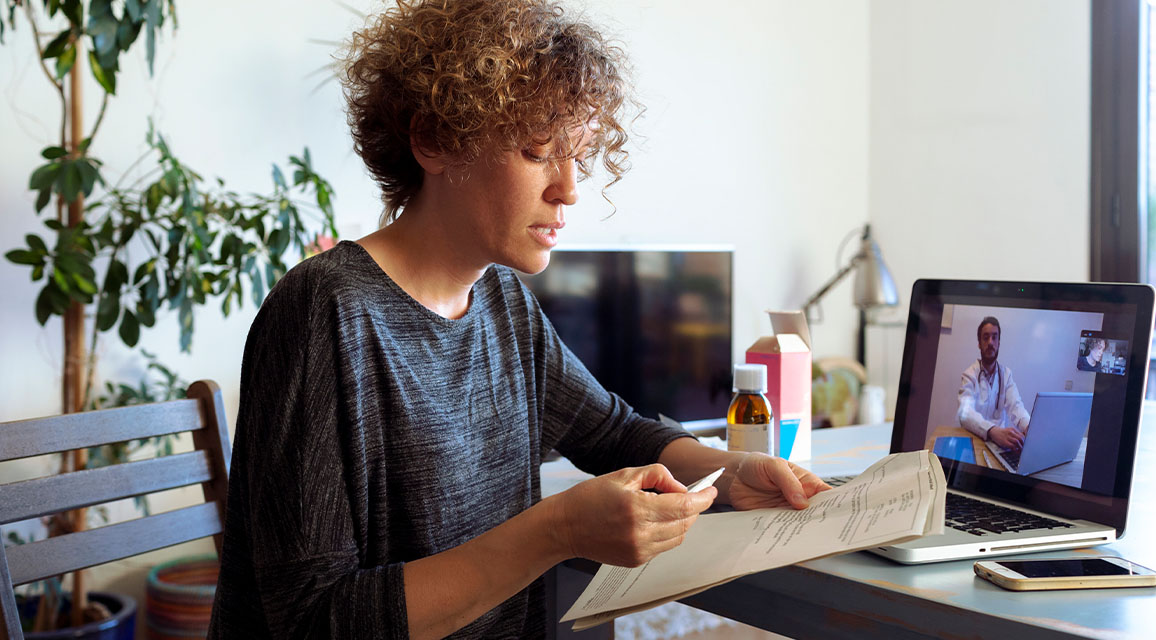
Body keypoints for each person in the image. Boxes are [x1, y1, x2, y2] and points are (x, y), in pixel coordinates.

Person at [206, 1, 830, 638]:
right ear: (432, 141)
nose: (569, 188)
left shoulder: (502, 299)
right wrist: (556, 530)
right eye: (537, 152)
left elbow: (612, 432)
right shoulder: (325, 313)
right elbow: (313, 622)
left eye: (578, 158)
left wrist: (728, 472)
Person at [957, 316, 1030, 452]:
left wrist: (1029, 427)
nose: (990, 342)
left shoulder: (1006, 375)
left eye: (994, 337)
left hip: (1000, 446)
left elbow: (1016, 407)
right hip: (974, 441)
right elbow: (964, 413)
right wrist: (991, 430)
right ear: (979, 343)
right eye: (985, 337)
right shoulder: (969, 374)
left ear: (999, 342)